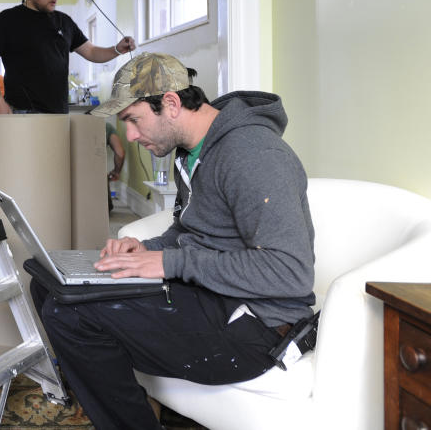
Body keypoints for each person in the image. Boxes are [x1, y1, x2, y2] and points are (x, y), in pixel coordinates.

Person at [31, 52, 316, 429]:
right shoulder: (194, 152)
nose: (130, 136)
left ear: (170, 103)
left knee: (68, 313)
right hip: (212, 295)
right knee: (48, 285)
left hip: (258, 325)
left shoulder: (253, 154)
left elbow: (290, 273)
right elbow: (191, 230)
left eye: (134, 120)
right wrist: (147, 250)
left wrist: (168, 263)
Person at [0, 0, 136, 114]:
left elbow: (91, 51)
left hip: (59, 112)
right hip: (22, 112)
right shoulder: (8, 20)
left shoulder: (64, 22)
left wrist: (117, 49)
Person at [106, 120, 125, 210]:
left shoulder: (71, 126)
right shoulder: (106, 126)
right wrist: (116, 172)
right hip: (97, 174)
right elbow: (120, 153)